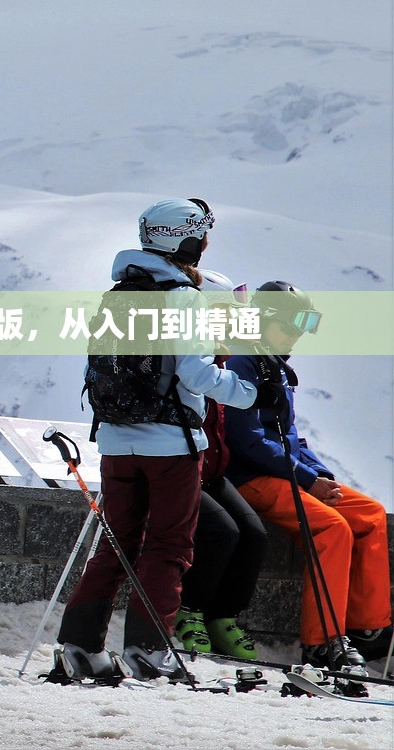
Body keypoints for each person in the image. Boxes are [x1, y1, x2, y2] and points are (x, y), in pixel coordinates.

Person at [54, 198, 259, 683]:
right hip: (171, 444)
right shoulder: (181, 297)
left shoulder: (117, 292)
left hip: (115, 442)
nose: (206, 243)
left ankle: (80, 647)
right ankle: (149, 652)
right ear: (186, 238)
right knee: (168, 547)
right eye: (203, 233)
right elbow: (195, 372)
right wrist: (245, 392)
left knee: (116, 544)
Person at [224, 281, 392, 674]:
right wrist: (304, 479)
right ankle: (321, 644)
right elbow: (246, 439)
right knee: (331, 529)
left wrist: (320, 474)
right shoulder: (242, 361)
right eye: (293, 322)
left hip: (284, 471)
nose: (299, 332)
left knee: (370, 514)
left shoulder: (275, 363)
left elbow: (290, 434)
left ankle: (369, 630)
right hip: (250, 476)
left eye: (305, 323)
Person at [173, 270, 267, 659]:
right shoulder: (194, 361)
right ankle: (189, 611)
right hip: (183, 468)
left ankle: (222, 615)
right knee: (221, 532)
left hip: (212, 472)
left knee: (254, 533)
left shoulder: (218, 362)